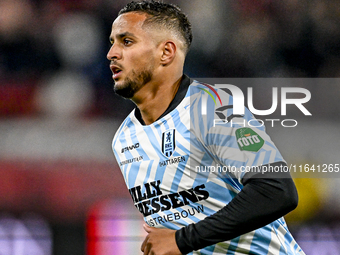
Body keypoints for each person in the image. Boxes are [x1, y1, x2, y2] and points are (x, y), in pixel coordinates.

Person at [108, 1, 306, 254]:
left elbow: (276, 190)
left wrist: (182, 240)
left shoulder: (212, 107)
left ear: (166, 52)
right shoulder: (123, 139)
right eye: (112, 42)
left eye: (126, 41)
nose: (112, 53)